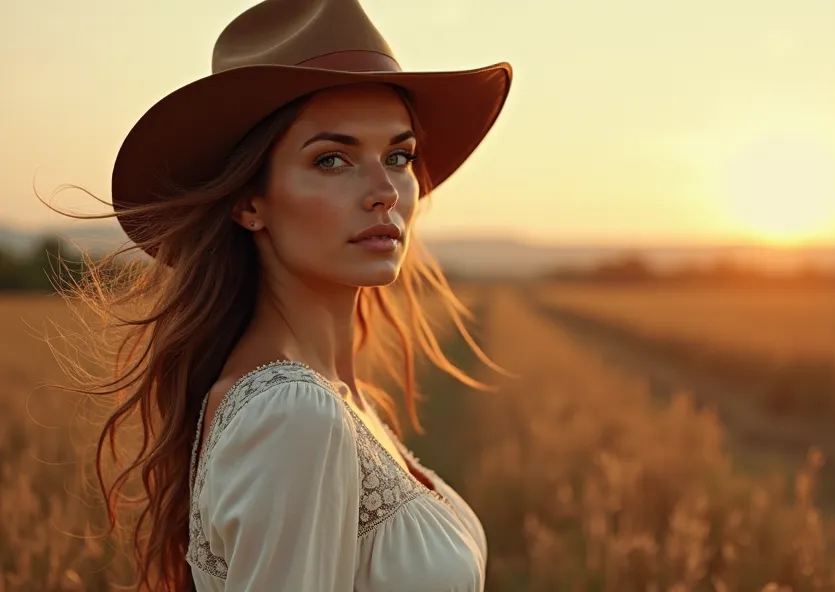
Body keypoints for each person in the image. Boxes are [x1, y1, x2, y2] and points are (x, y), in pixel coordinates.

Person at [54, 0, 512, 590]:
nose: (385, 192)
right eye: (332, 160)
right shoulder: (296, 414)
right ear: (249, 203)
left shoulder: (340, 400)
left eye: (398, 156)